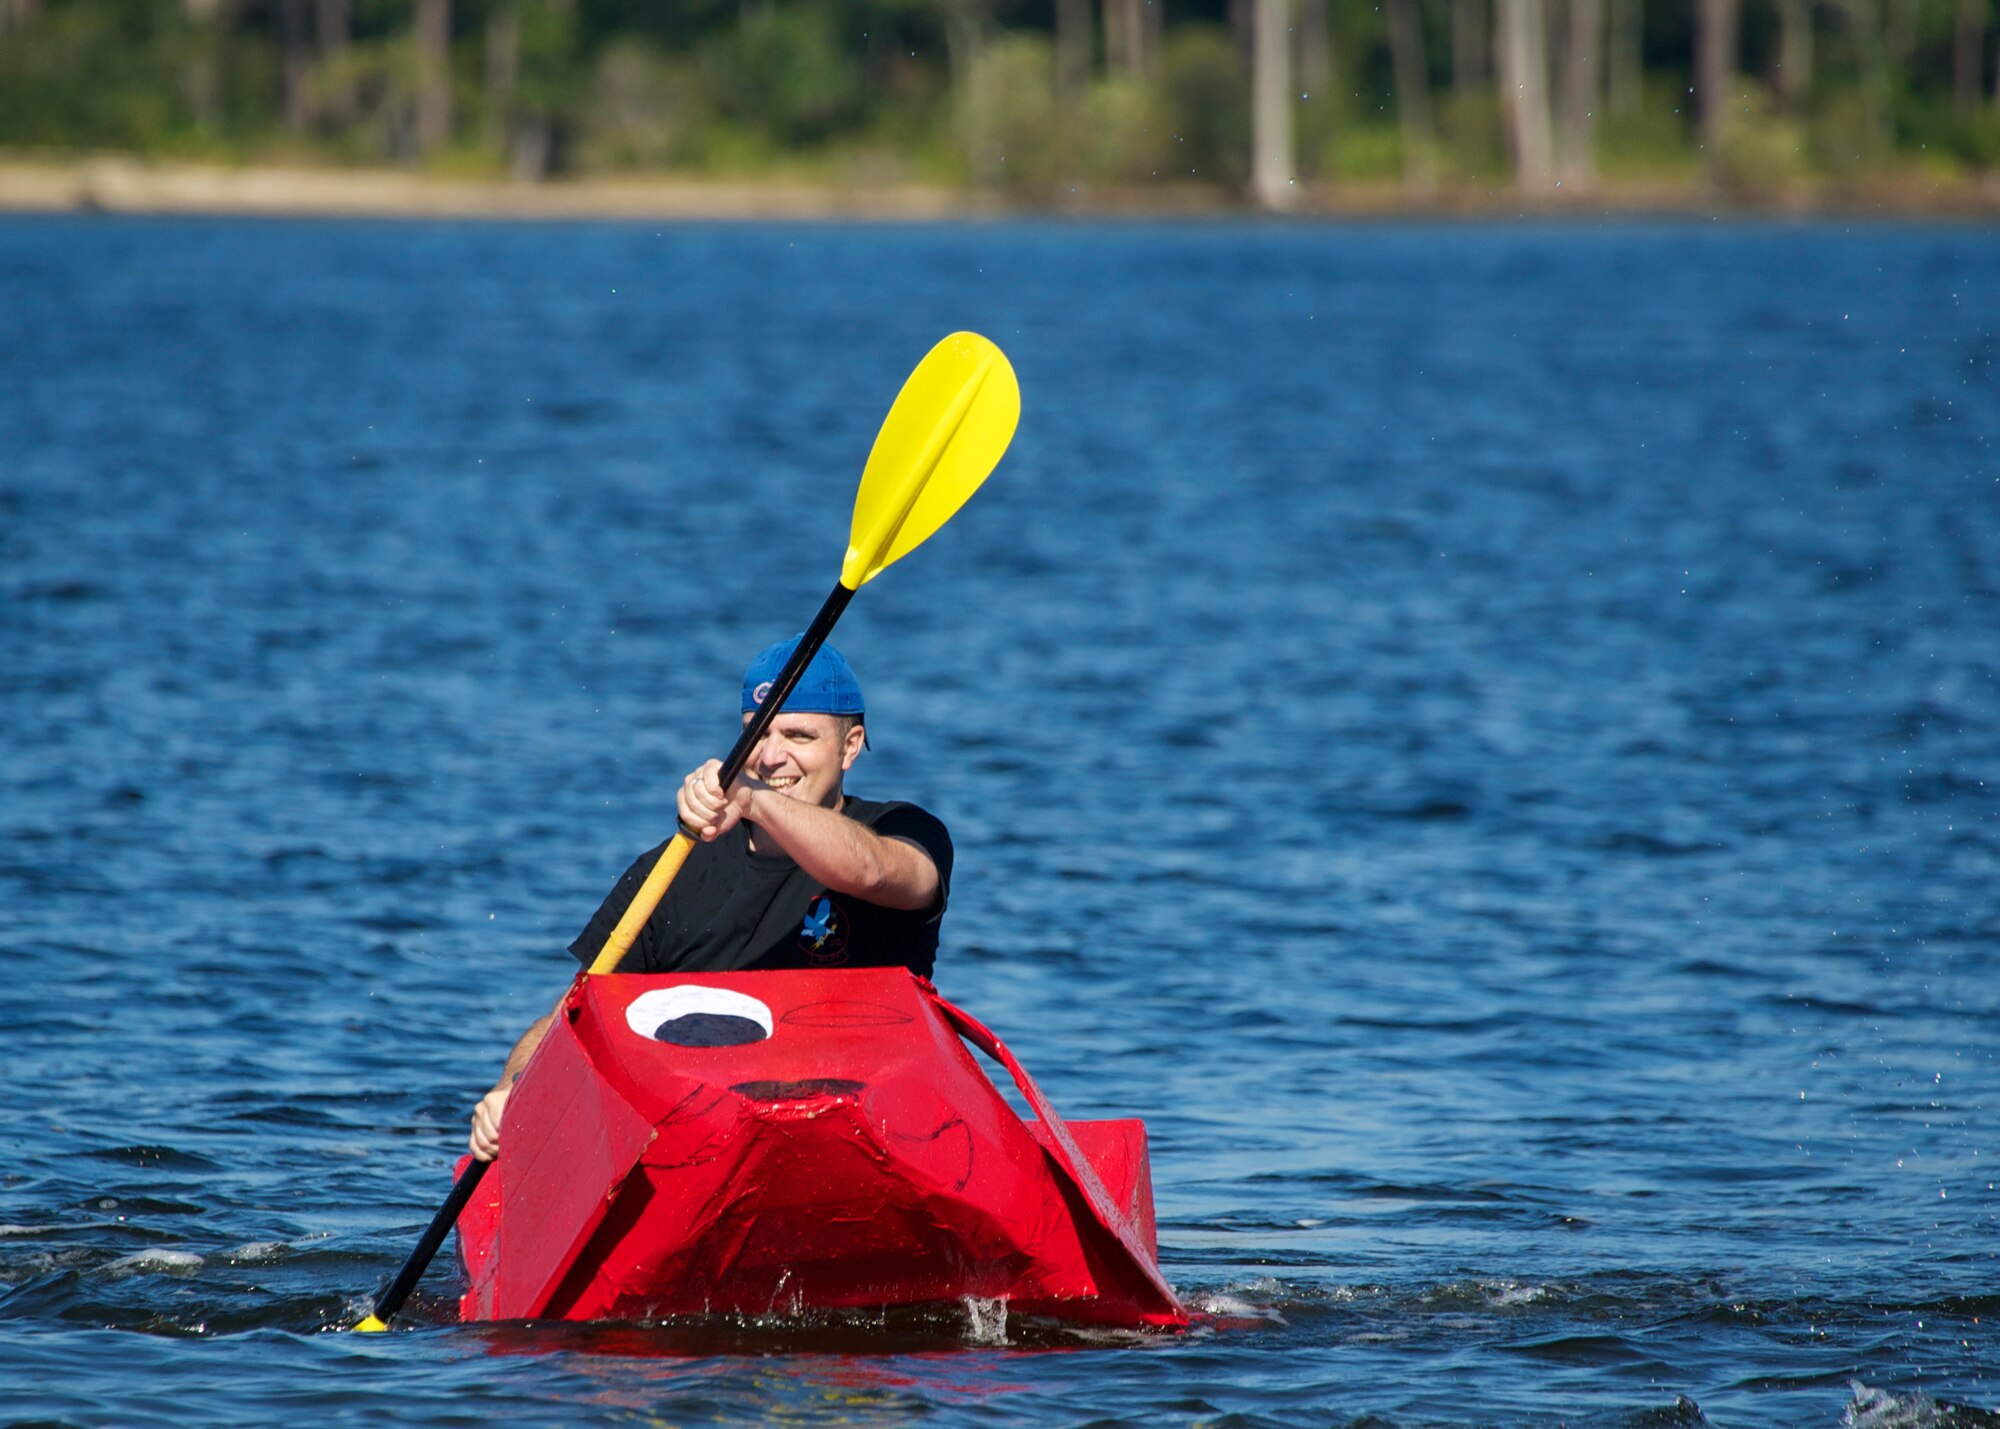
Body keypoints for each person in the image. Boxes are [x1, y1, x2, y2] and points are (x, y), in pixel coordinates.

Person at [467, 637, 952, 1161]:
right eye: (757, 735)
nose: (770, 757)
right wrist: (513, 1087)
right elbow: (574, 1019)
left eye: (798, 735)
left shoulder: (903, 832)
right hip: (707, 1145)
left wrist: (752, 800)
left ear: (850, 746)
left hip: (868, 1137)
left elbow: (871, 870)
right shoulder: (670, 869)